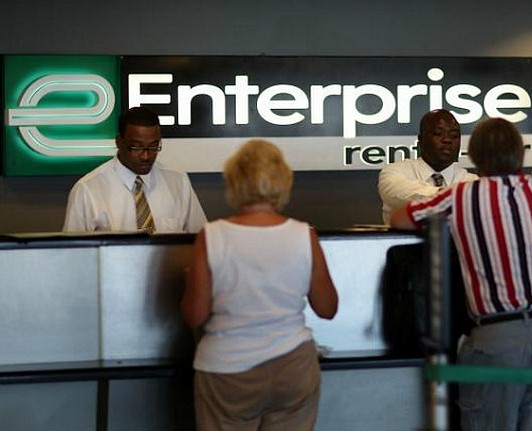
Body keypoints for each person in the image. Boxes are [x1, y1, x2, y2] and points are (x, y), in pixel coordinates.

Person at [391, 118, 532, 431]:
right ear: (520, 153)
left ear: (474, 156)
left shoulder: (461, 196)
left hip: (496, 338)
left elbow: (400, 219)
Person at [181, 139, 339, 431]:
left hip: (228, 371)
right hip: (294, 366)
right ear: (283, 180)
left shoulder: (212, 236)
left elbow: (194, 315)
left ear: (234, 181)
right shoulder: (304, 235)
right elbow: (327, 308)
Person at [63, 106, 207, 233]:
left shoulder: (178, 183)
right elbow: (72, 250)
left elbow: (201, 240)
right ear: (119, 142)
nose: (146, 156)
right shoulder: (88, 190)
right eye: (136, 147)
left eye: (153, 146)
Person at [378, 109, 478, 224]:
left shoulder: (472, 181)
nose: (447, 140)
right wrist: (458, 197)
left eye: (454, 135)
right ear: (421, 140)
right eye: (438, 134)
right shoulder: (394, 172)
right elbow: (398, 195)